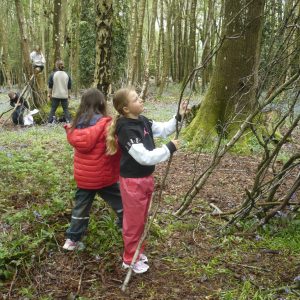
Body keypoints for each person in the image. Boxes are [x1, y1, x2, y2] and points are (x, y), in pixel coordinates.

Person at [106, 88, 187, 274]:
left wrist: (179, 116)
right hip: (133, 183)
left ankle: (137, 252)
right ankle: (129, 259)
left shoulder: (142, 120)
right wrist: (169, 149)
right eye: (136, 98)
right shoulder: (126, 129)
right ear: (126, 109)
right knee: (133, 222)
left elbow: (164, 129)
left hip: (145, 179)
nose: (141, 99)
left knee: (141, 220)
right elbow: (144, 158)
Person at [63, 88, 123, 251]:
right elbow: (116, 148)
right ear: (102, 103)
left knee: (80, 208)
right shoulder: (106, 124)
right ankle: (126, 226)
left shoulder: (76, 125)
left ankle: (72, 240)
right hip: (104, 177)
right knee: (121, 201)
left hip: (84, 179)